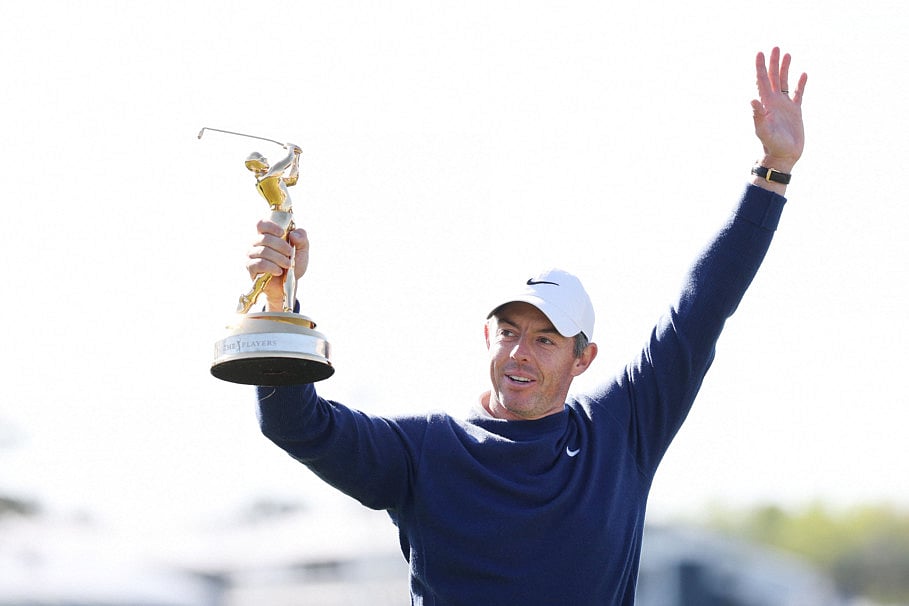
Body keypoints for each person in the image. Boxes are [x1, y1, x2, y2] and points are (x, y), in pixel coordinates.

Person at [244, 48, 807, 605]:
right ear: (488, 336)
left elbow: (701, 309)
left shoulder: (621, 431)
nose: (520, 353)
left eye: (545, 340)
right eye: (509, 331)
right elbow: (295, 424)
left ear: (582, 359)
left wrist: (773, 172)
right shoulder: (425, 451)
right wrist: (278, 304)